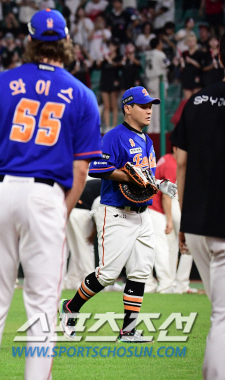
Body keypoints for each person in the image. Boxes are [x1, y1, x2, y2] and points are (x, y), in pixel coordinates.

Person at [0, 9, 102, 379]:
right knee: (41, 308)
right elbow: (80, 169)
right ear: (66, 42)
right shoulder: (83, 95)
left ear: (30, 41)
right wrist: (61, 210)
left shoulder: (2, 83)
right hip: (45, 195)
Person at [60, 86, 175, 345]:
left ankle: (128, 330)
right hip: (117, 213)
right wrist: (127, 175)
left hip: (142, 213)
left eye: (150, 106)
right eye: (143, 106)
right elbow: (98, 167)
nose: (148, 111)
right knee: (108, 273)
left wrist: (159, 183)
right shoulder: (114, 136)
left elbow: (145, 177)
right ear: (127, 108)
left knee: (141, 271)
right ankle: (70, 307)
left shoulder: (147, 141)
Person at [171, 33, 225, 378]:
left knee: (219, 309)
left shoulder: (196, 100)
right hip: (222, 227)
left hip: (197, 225)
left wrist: (184, 221)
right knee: (223, 313)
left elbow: (182, 165)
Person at [146, 146, 180, 293]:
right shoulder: (171, 163)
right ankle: (166, 285)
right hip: (154, 209)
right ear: (176, 148)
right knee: (161, 248)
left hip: (147, 207)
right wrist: (169, 219)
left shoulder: (165, 159)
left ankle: (148, 285)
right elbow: (166, 195)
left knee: (146, 249)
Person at [63, 179, 102, 291]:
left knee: (76, 249)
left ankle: (72, 281)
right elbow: (98, 208)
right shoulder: (110, 186)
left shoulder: (99, 183)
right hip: (81, 212)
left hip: (70, 209)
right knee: (85, 247)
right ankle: (90, 282)